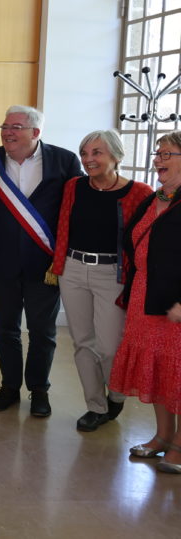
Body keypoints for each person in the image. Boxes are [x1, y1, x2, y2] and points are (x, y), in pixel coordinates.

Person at [0, 105, 82, 417]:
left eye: (15, 127)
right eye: (4, 126)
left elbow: (76, 209)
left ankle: (39, 390)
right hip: (1, 262)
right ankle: (9, 387)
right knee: (5, 329)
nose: (7, 132)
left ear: (35, 132)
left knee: (42, 331)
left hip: (45, 265)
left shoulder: (64, 160)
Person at [51, 130, 151, 432]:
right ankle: (95, 405)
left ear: (116, 157)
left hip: (114, 274)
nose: (88, 159)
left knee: (109, 345)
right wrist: (59, 265)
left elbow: (148, 236)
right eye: (84, 153)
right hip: (73, 268)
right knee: (83, 343)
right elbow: (63, 225)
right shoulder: (74, 186)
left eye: (97, 153)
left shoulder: (140, 192)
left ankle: (116, 394)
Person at [109, 132, 181, 474]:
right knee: (159, 372)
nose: (158, 160)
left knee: (178, 374)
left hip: (177, 304)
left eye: (167, 154)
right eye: (157, 153)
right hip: (146, 297)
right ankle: (163, 437)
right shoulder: (153, 199)